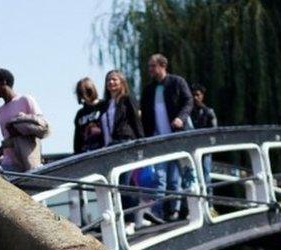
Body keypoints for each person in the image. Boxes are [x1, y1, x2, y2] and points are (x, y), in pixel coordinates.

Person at [139, 54, 193, 221]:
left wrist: (180, 118)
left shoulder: (177, 82)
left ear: (162, 66)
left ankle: (173, 211)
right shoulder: (149, 90)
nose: (150, 70)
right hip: (157, 138)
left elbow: (188, 101)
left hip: (175, 136)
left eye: (152, 66)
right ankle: (157, 212)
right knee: (159, 176)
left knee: (174, 178)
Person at [97, 70, 151, 233]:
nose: (111, 83)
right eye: (108, 81)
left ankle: (129, 222)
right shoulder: (106, 104)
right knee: (121, 184)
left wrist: (141, 142)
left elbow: (136, 120)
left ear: (121, 82)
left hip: (125, 142)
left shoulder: (127, 99)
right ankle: (128, 218)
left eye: (114, 80)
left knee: (125, 183)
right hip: (111, 145)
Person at [0, 68, 48, 172]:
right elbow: (8, 141)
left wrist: (21, 127)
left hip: (28, 163)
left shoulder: (25, 100)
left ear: (3, 82)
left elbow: (41, 126)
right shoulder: (0, 111)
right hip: (9, 164)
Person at [73, 77, 104, 154]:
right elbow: (77, 139)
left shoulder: (104, 106)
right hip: (86, 151)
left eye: (85, 93)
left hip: (103, 148)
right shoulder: (80, 113)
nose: (83, 97)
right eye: (80, 94)